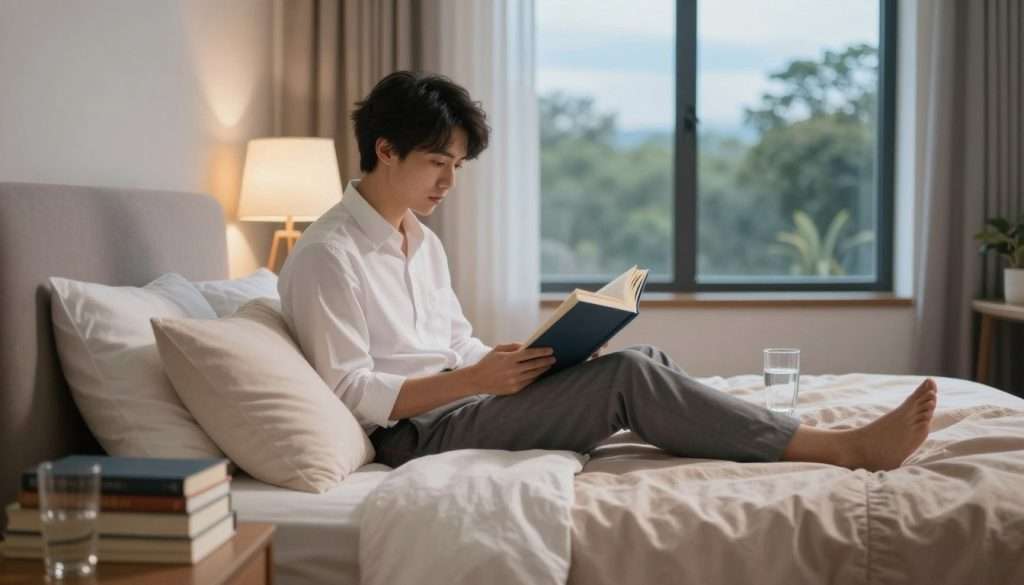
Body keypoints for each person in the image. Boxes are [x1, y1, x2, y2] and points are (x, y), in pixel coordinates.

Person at [278, 71, 937, 470]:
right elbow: (351, 391)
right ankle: (839, 448)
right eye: (436, 162)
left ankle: (755, 437)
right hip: (414, 436)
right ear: (384, 150)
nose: (449, 181)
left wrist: (519, 358)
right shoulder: (325, 255)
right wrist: (477, 378)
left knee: (639, 354)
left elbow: (455, 344)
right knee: (626, 378)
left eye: (458, 166)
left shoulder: (421, 241)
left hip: (464, 399)